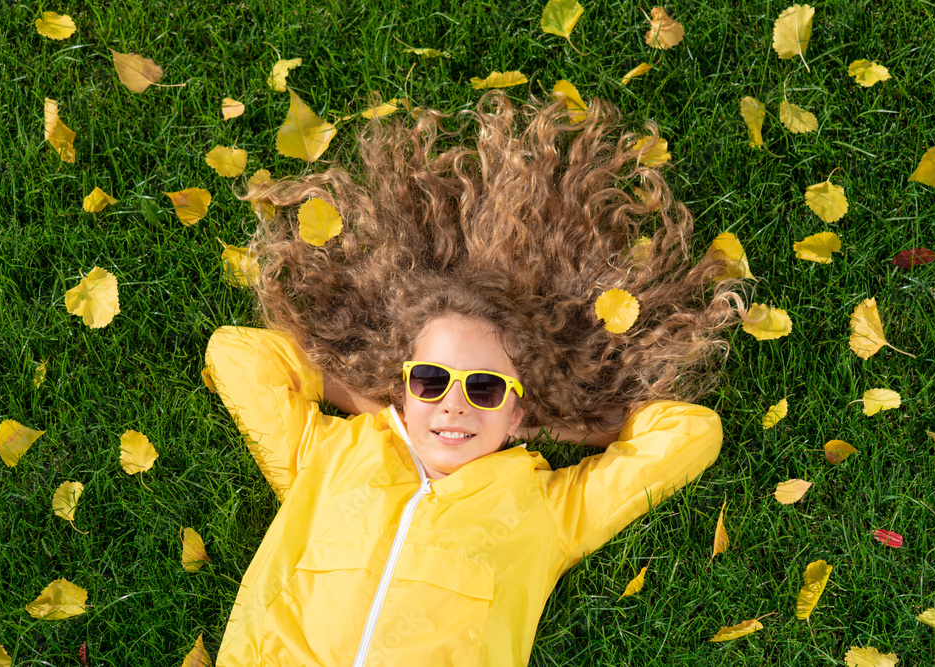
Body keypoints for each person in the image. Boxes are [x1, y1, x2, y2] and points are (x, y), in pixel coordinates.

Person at [204, 90, 746, 666]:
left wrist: (551, 428)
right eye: (432, 380)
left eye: (483, 388)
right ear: (405, 385)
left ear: (517, 408)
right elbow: (237, 354)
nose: (453, 405)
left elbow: (691, 433)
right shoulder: (328, 457)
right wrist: (370, 400)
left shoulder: (544, 513)